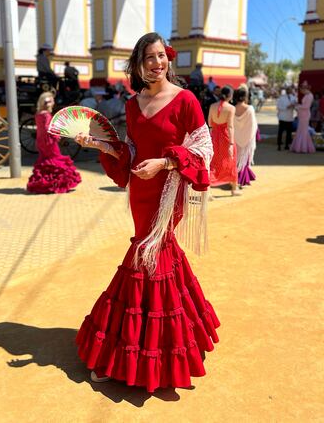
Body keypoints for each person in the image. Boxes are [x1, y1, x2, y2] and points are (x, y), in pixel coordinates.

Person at [74, 32, 219, 392]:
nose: (156, 64)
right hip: (141, 191)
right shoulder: (133, 103)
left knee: (149, 257)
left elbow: (205, 148)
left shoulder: (185, 100)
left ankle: (146, 352)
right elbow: (132, 151)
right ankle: (173, 342)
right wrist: (99, 144)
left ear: (169, 58)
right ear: (138, 65)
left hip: (168, 192)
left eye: (160, 56)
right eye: (148, 59)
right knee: (155, 257)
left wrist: (166, 163)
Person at [27, 92, 81, 194]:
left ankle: (44, 183)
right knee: (55, 159)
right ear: (49, 103)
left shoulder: (38, 114)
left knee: (45, 160)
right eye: (52, 101)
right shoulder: (47, 115)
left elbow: (41, 128)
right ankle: (57, 184)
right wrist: (56, 135)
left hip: (40, 141)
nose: (53, 103)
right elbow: (48, 128)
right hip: (49, 142)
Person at [209, 86, 240, 196]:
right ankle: (234, 188)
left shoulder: (212, 106)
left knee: (213, 162)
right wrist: (231, 143)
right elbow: (230, 126)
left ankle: (207, 191)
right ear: (230, 96)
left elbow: (210, 123)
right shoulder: (231, 108)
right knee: (231, 160)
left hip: (214, 136)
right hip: (226, 137)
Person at [233, 88, 258, 187]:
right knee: (245, 158)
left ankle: (237, 177)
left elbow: (232, 124)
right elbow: (253, 124)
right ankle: (243, 178)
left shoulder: (233, 108)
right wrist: (251, 136)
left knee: (237, 159)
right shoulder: (250, 108)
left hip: (236, 137)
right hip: (247, 137)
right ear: (245, 96)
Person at [290, 82, 316, 154]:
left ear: (304, 89)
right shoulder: (307, 95)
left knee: (303, 131)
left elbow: (306, 107)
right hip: (302, 114)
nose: (301, 91)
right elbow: (304, 105)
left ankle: (303, 147)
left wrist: (297, 106)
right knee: (301, 130)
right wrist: (298, 105)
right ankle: (300, 147)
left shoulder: (310, 96)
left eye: (301, 90)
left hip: (305, 115)